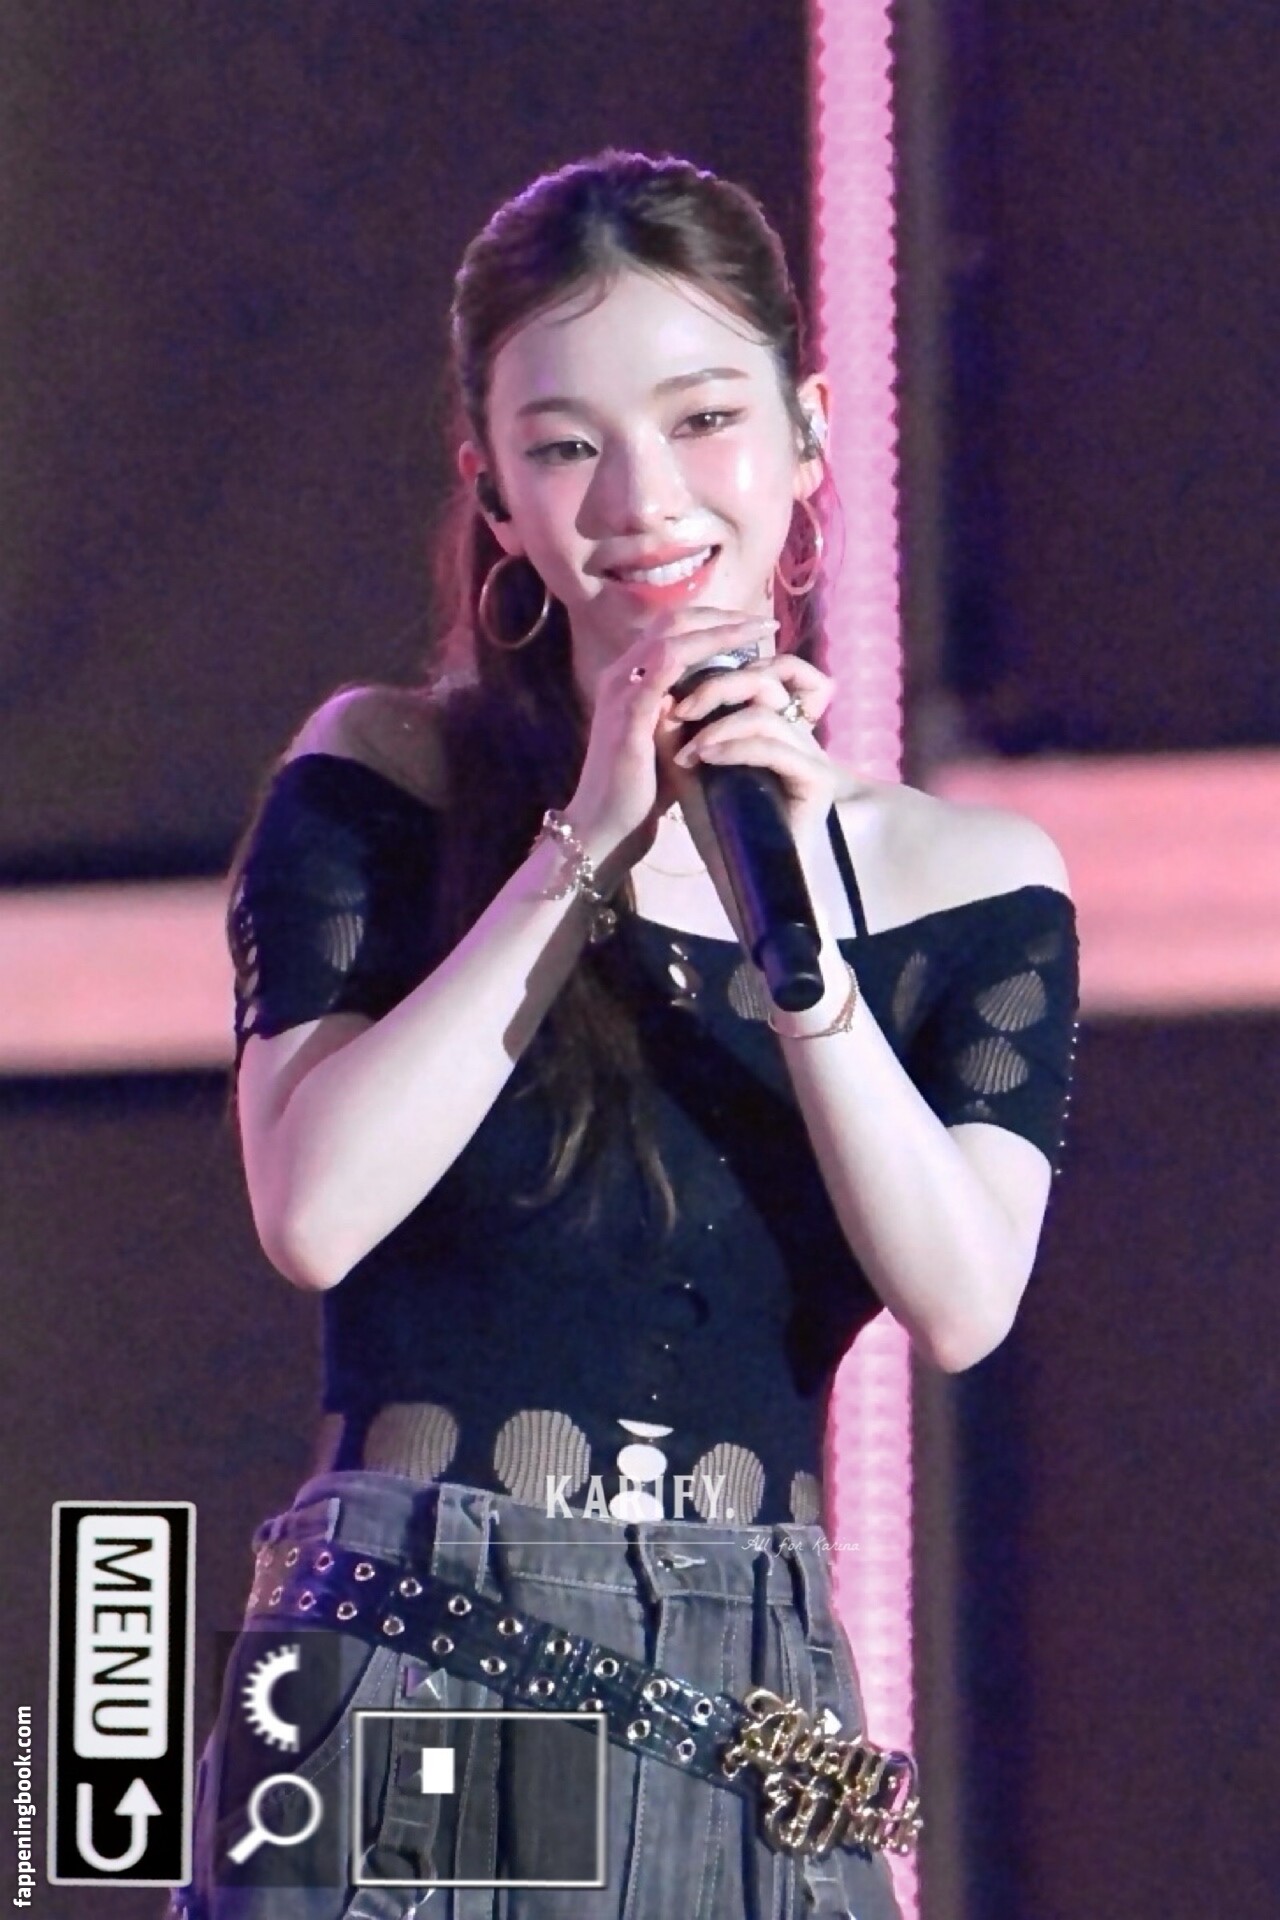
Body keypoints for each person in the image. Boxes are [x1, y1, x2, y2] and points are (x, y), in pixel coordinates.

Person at [171, 150, 1078, 1920]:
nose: (645, 498)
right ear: (496, 495)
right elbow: (315, 1207)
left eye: (705, 417)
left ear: (808, 435)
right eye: (568, 445)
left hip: (763, 1708)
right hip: (434, 1651)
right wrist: (584, 846)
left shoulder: (966, 880)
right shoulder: (389, 780)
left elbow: (964, 1299)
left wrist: (798, 937)